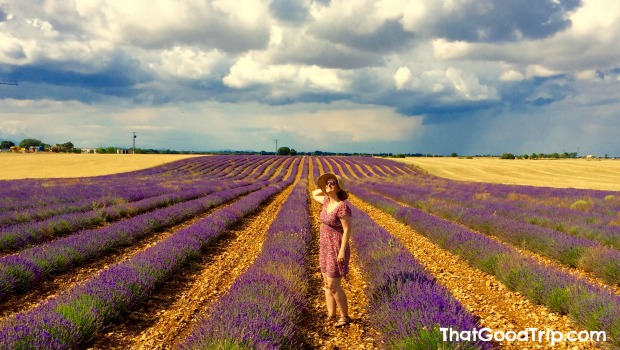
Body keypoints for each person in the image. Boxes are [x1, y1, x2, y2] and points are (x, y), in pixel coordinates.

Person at [312, 172, 352, 328]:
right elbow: (314, 192)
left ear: (338, 187)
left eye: (332, 183)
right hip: (324, 247)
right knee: (326, 284)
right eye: (327, 183)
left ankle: (344, 317)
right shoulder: (326, 201)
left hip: (336, 247)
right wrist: (326, 188)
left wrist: (342, 251)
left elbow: (347, 230)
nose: (328, 185)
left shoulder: (343, 207)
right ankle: (331, 315)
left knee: (334, 285)